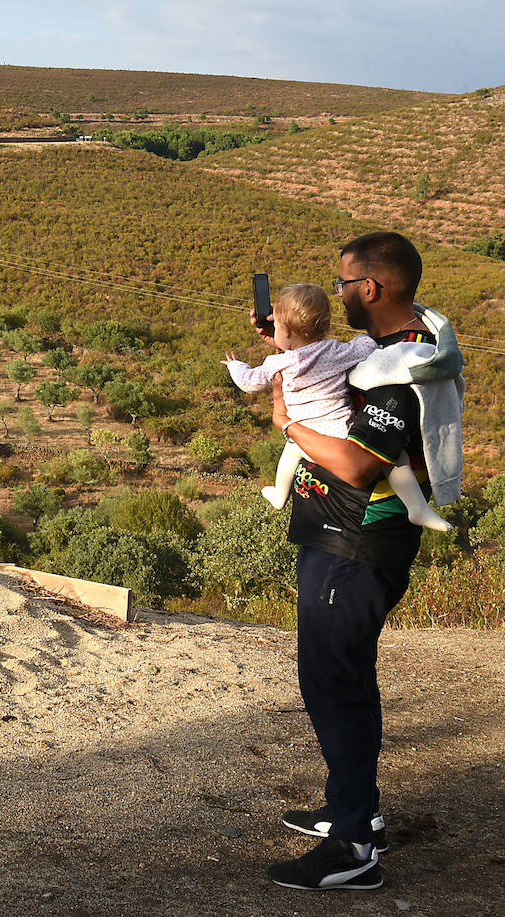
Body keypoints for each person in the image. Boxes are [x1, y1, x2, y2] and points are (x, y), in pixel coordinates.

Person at [254, 232, 464, 891]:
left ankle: (352, 848)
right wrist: (290, 344)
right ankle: (357, 811)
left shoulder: (401, 371)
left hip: (357, 543)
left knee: (333, 683)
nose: (338, 291)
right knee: (346, 677)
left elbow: (353, 460)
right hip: (339, 533)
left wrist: (288, 422)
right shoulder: (386, 348)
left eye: (343, 283)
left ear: (370, 289)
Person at [224, 282, 452, 531]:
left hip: (306, 439)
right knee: (395, 458)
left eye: (277, 326)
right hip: (342, 434)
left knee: (290, 454)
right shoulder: (336, 351)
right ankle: (417, 507)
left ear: (286, 331)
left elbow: (249, 383)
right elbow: (367, 345)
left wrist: (236, 366)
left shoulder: (277, 363)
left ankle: (280, 494)